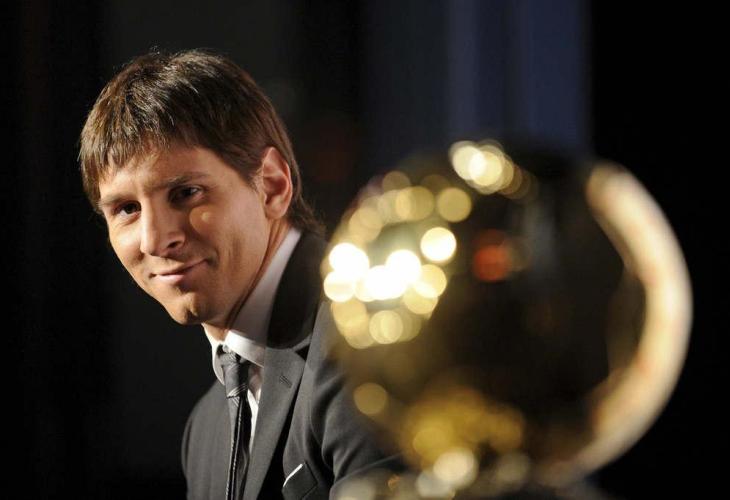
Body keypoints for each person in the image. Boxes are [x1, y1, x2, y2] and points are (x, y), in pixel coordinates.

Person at [79, 49, 399, 500]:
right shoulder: (203, 431)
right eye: (126, 209)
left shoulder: (370, 343)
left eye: (186, 193)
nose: (154, 239)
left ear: (272, 185)